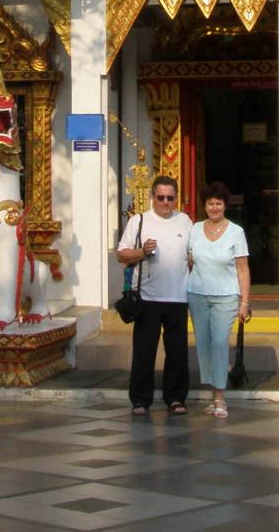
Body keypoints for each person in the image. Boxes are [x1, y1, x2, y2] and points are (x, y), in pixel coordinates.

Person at [116, 176, 192, 416]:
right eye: (161, 197)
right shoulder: (139, 221)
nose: (165, 202)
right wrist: (142, 251)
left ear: (176, 198)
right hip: (148, 298)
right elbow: (122, 255)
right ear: (152, 197)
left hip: (178, 297)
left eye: (170, 198)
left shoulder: (185, 221)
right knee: (144, 353)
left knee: (177, 352)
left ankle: (176, 398)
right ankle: (140, 400)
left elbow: (193, 254)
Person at [187, 181, 251, 418]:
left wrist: (245, 302)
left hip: (226, 296)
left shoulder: (236, 232)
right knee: (204, 344)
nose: (214, 208)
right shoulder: (194, 230)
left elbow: (243, 269)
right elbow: (188, 260)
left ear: (225, 205)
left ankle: (220, 398)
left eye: (218, 203)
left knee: (219, 343)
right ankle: (216, 384)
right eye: (210, 203)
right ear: (204, 206)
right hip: (197, 294)